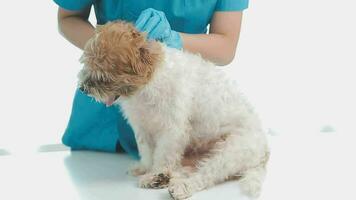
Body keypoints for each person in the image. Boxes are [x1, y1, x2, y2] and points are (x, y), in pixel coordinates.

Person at [54, 0, 249, 159]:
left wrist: (174, 39)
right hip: (104, 118)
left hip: (183, 119)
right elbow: (68, 18)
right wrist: (111, 49)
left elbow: (226, 47)